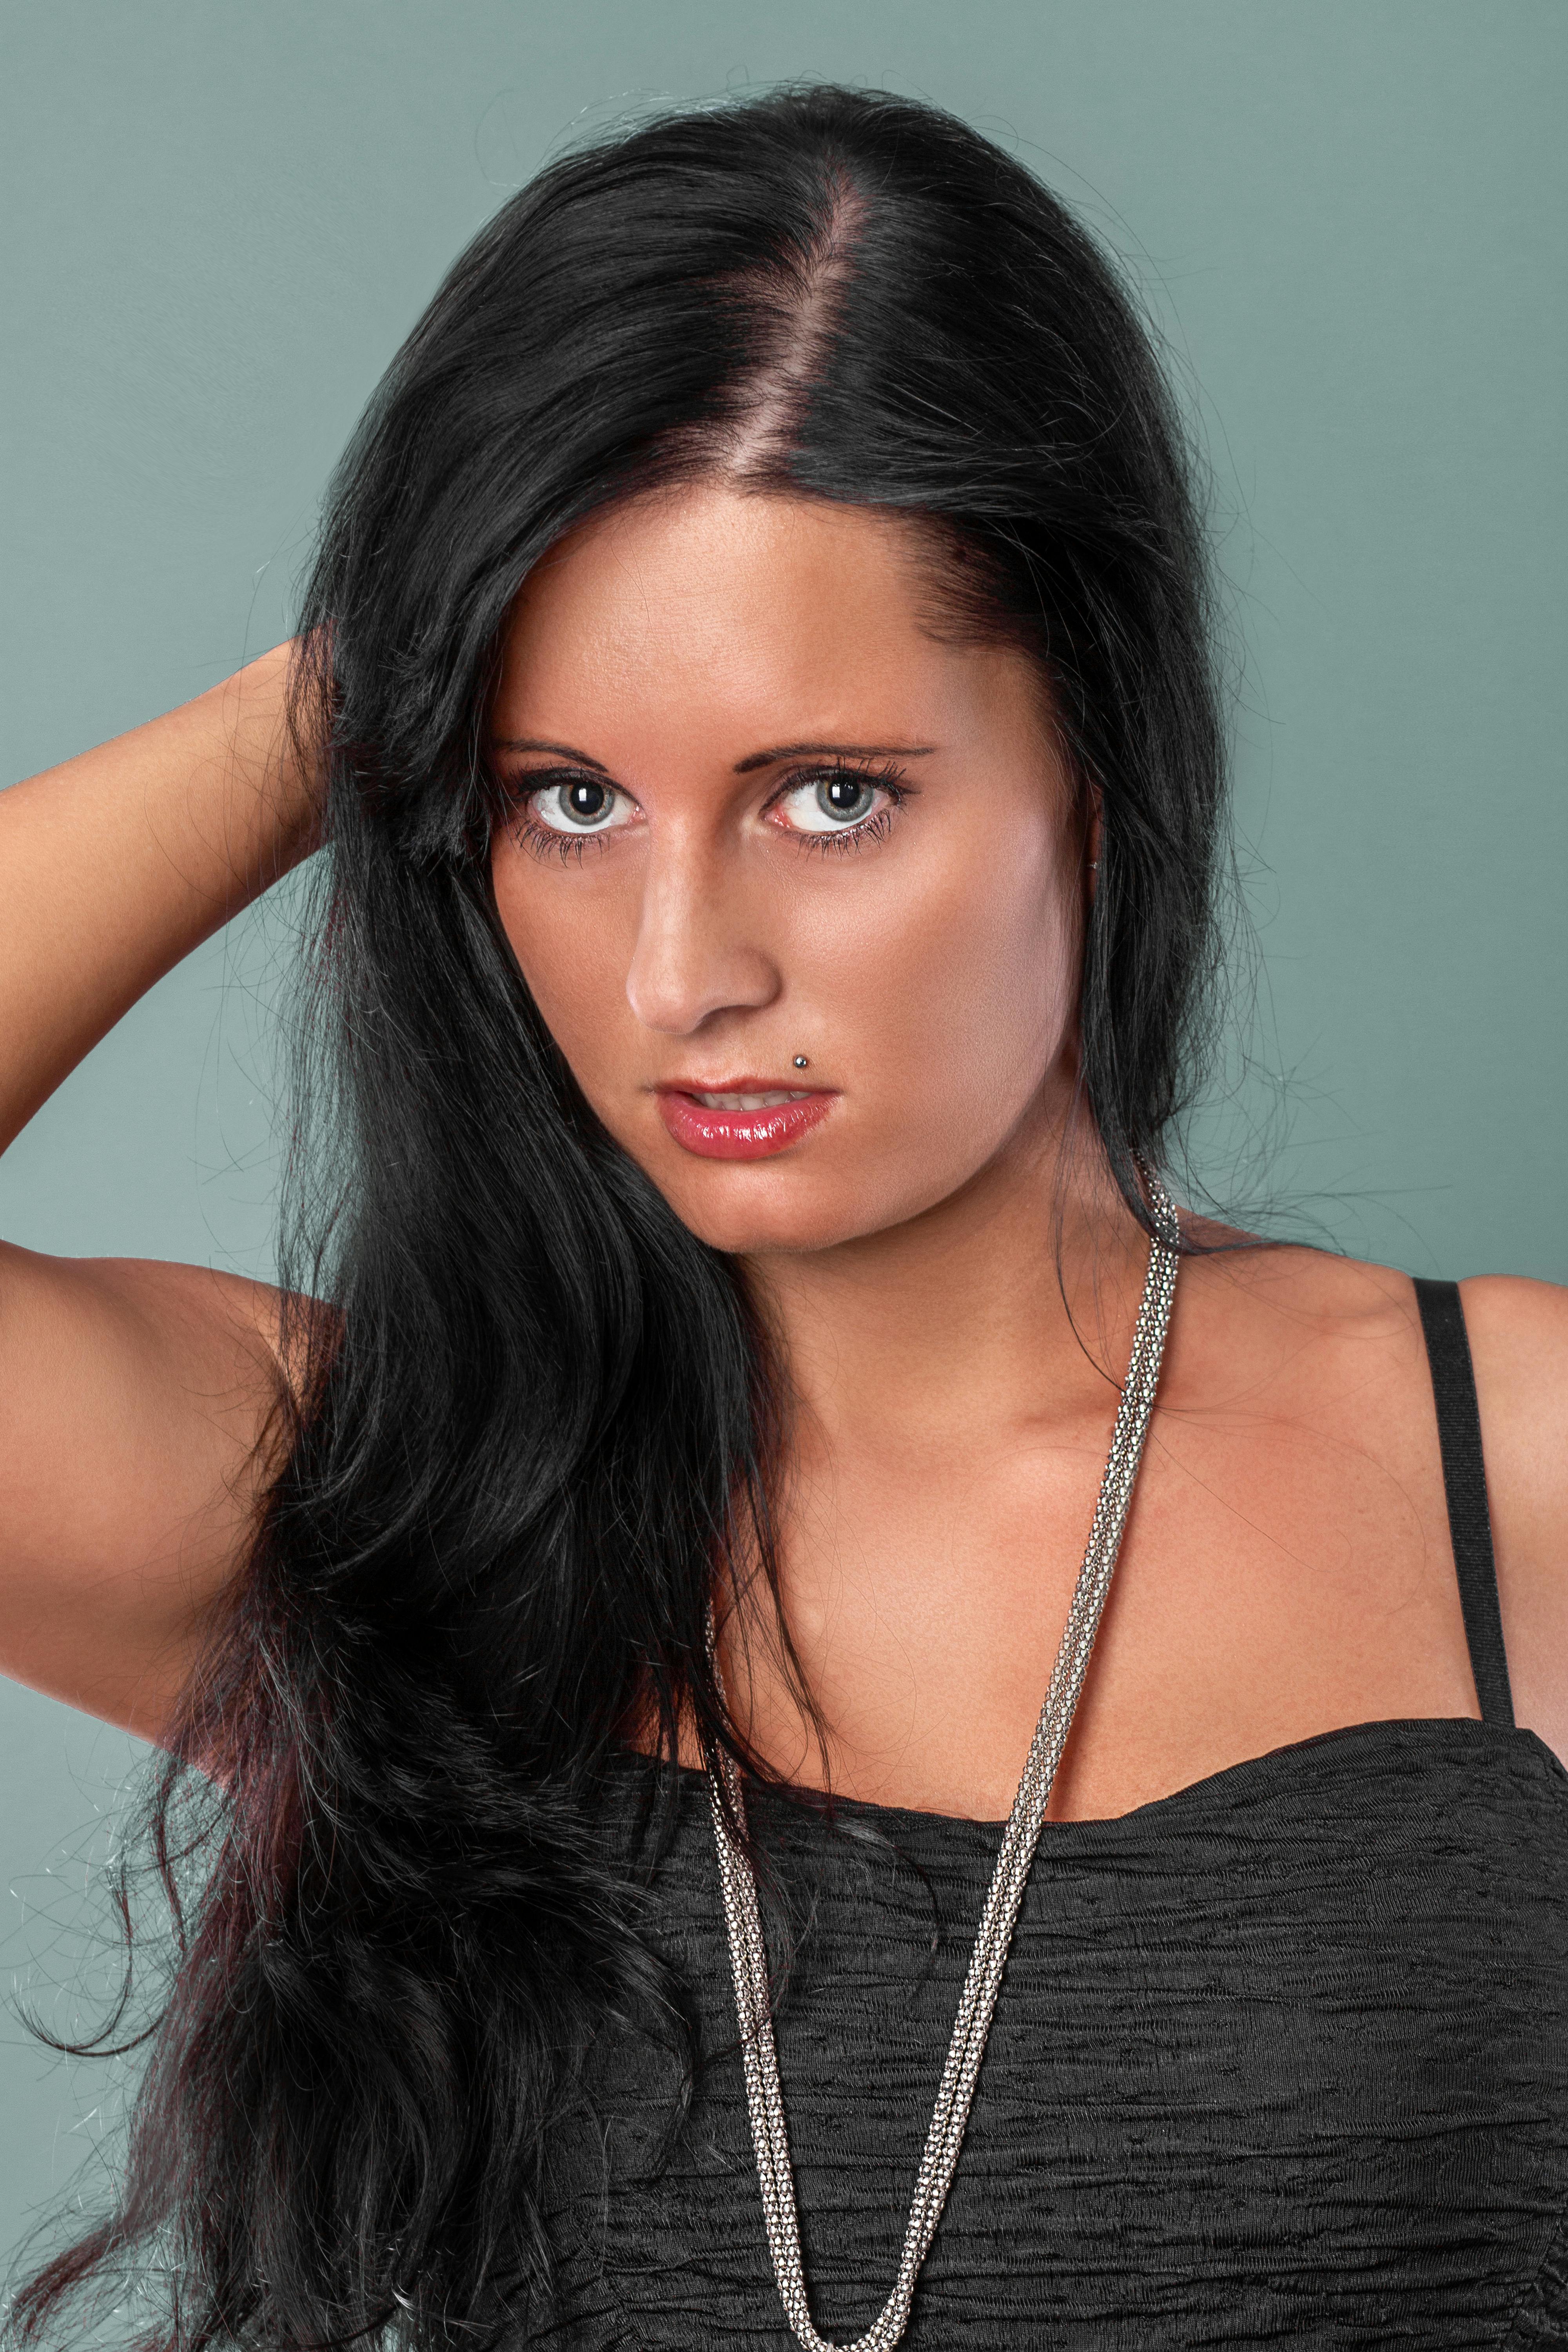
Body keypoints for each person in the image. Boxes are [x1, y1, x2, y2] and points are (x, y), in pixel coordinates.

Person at [2, 81, 1565, 2352]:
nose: (679, 977)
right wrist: (369, 669)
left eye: (828, 796)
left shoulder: (1506, 1459)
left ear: (1093, 783)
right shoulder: (392, 1513)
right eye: (570, 798)